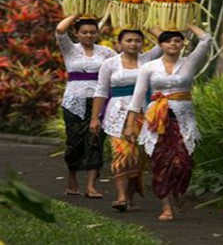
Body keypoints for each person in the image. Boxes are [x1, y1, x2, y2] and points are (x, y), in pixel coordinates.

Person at [124, 25, 211, 221]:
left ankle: (178, 193)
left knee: (184, 163)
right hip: (157, 120)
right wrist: (130, 124)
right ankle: (166, 207)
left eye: (178, 41)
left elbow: (206, 40)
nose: (174, 43)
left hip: (183, 120)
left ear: (182, 44)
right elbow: (137, 97)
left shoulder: (189, 62)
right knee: (160, 163)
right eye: (169, 41)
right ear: (161, 44)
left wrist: (188, 24)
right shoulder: (148, 67)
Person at [89, 29, 162, 212]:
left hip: (145, 113)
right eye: (128, 40)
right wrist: (94, 118)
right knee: (123, 153)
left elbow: (164, 40)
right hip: (117, 114)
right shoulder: (110, 64)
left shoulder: (148, 60)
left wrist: (145, 22)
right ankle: (121, 197)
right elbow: (101, 91)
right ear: (119, 43)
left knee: (138, 157)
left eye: (138, 40)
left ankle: (128, 199)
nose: (133, 43)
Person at [56, 15, 116, 198]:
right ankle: (72, 176)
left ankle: (91, 186)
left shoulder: (107, 52)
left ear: (98, 33)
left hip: (99, 101)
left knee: (95, 141)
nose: (89, 35)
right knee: (74, 142)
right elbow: (59, 30)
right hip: (74, 101)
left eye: (92, 32)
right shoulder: (70, 50)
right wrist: (75, 13)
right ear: (76, 33)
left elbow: (121, 66)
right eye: (84, 32)